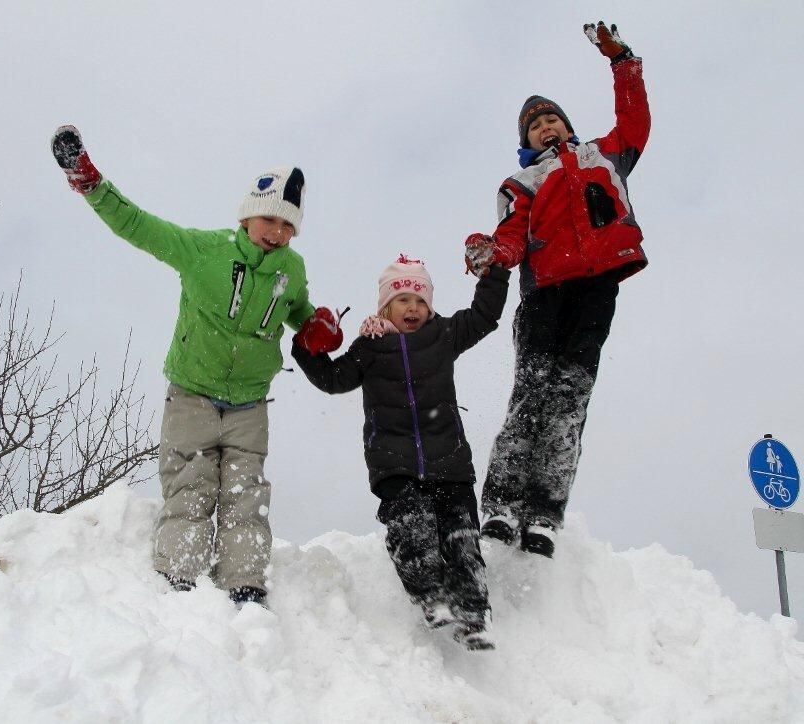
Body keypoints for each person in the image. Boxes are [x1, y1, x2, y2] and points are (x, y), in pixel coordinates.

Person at [51, 125, 343, 607]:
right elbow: (138, 226)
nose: (277, 232)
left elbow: (298, 309)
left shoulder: (293, 269)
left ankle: (244, 585)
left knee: (247, 497)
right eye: (269, 219)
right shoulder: (204, 251)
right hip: (192, 396)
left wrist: (315, 326)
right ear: (248, 217)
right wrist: (90, 182)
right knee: (191, 487)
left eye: (288, 225)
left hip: (250, 405)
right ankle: (179, 580)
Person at [464, 21, 651, 558]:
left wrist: (622, 61)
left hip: (597, 293)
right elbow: (510, 240)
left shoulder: (605, 155)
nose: (546, 127)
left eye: (553, 118)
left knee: (570, 400)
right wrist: (489, 254)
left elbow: (634, 120)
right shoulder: (520, 183)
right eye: (535, 125)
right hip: (545, 295)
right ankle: (502, 502)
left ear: (567, 125)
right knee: (533, 395)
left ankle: (546, 510)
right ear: (524, 141)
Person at [292, 255, 510, 650]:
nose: (413, 308)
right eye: (403, 299)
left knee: (461, 538)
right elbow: (333, 379)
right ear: (385, 307)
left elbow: (484, 315)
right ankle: (431, 597)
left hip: (450, 463)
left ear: (430, 306)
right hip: (395, 465)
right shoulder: (370, 348)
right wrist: (307, 348)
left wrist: (493, 272)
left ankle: (474, 613)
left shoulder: (444, 335)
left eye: (420, 300)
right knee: (415, 529)